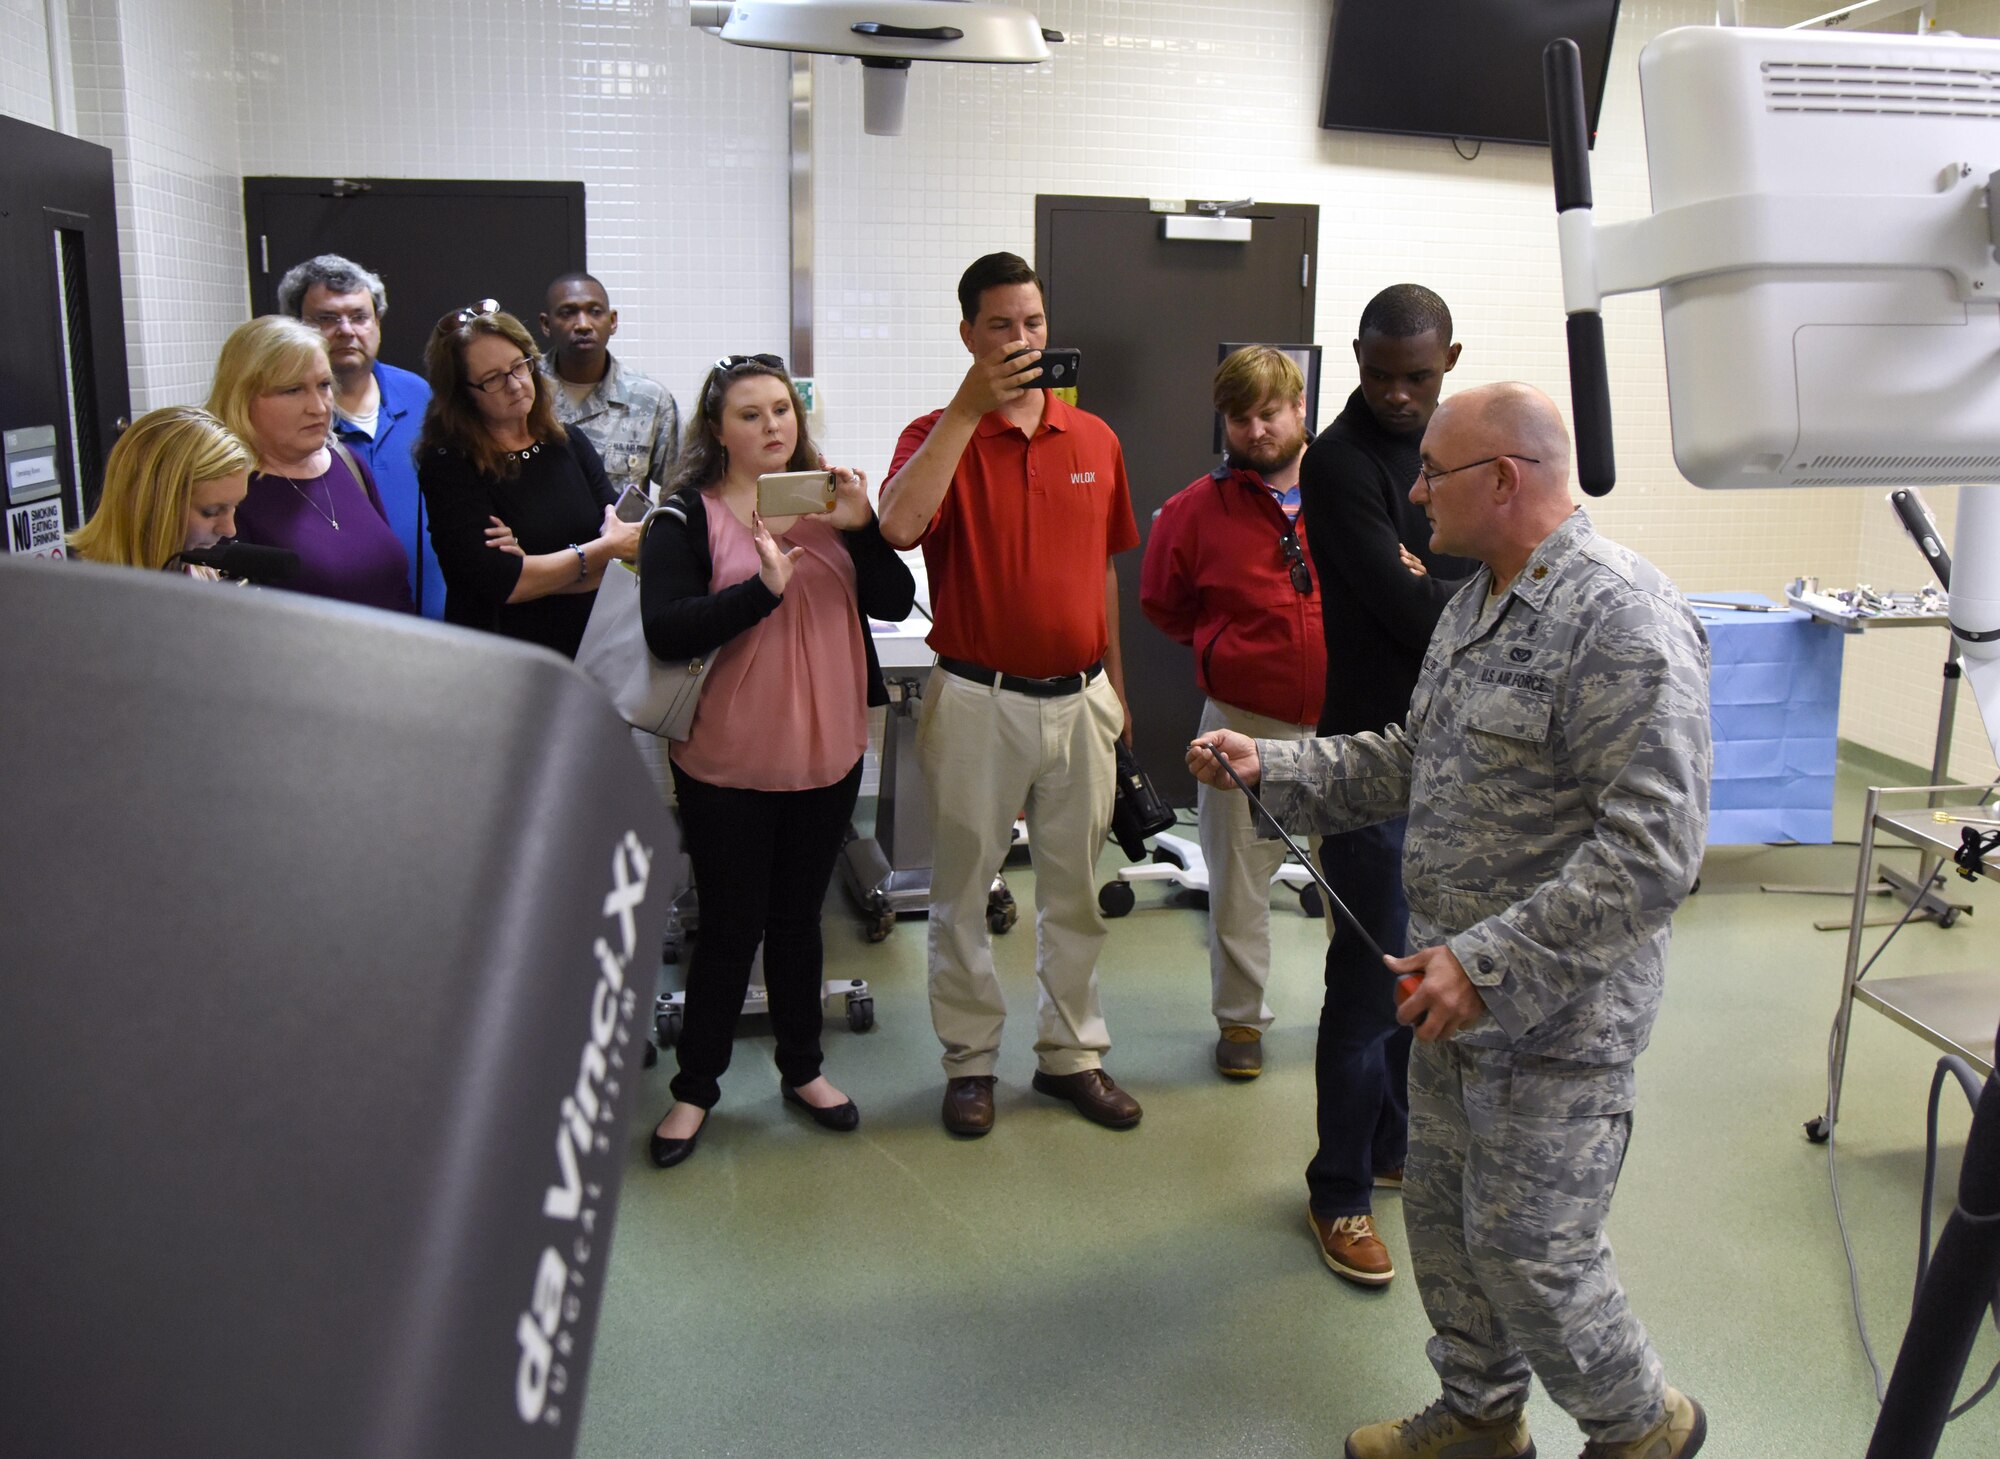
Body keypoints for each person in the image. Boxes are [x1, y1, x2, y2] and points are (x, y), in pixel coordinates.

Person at [1190, 382, 1711, 1459]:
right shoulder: (1474, 603)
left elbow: (1653, 851)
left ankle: (1641, 1428)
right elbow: (1409, 760)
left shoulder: (1621, 620)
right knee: (1445, 1227)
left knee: (1532, 1250)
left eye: (1432, 471)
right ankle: (1480, 1416)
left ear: (1502, 481)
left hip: (1550, 1020)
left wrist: (1486, 966)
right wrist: (1270, 765)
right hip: (1447, 1000)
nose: (1413, 489)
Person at [878, 251, 1140, 1137]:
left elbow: (1102, 568)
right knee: (963, 892)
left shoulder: (1094, 438)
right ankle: (970, 1062)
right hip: (977, 699)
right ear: (968, 335)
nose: (1022, 340)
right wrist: (967, 407)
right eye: (1001, 326)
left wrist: (1116, 685)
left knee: (1073, 892)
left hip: (1081, 704)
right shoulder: (933, 433)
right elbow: (901, 525)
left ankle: (1072, 1055)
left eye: (1032, 323)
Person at [639, 353, 914, 1168]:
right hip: (725, 762)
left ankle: (804, 1069)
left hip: (827, 756)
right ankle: (696, 1087)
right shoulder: (684, 516)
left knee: (799, 921)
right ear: (717, 430)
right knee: (729, 928)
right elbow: (668, 628)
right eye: (750, 414)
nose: (771, 427)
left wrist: (862, 526)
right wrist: (760, 589)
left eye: (782, 413)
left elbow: (894, 600)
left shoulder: (831, 507)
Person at [1294, 284, 1477, 1287]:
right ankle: (1336, 1192)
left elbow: (1499, 570)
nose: (1397, 395)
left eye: (1416, 375)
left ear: (1448, 356)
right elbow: (1412, 613)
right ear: (1355, 358)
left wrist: (1434, 574)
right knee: (1366, 991)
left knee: (1428, 976)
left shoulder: (1453, 441)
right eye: (1377, 375)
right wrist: (1448, 579)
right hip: (1368, 763)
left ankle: (1391, 1144)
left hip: (1454, 763)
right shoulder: (1336, 462)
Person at [1139, 346, 1325, 1081]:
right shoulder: (1193, 511)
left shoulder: (1349, 491)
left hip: (1351, 726)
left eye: (1269, 412)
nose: (1255, 429)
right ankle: (1241, 1023)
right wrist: (1236, 648)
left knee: (1367, 878)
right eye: (1239, 417)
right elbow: (1164, 605)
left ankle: (1360, 1010)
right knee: (1240, 884)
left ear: (1299, 408)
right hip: (1243, 723)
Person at [416, 301, 641, 659]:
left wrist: (538, 569)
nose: (515, 384)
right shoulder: (450, 464)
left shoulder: (567, 441)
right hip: (503, 662)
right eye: (492, 379)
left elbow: (630, 551)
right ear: (462, 395)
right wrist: (601, 550)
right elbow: (504, 584)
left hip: (594, 651)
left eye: (519, 365)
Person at [208, 316, 414, 613]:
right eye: (293, 390)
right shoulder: (228, 492)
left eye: (324, 385)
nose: (318, 407)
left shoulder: (345, 460)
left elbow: (394, 584)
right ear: (243, 397)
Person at [277, 253, 442, 619]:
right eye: (327, 318)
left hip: (436, 620)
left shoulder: (418, 394)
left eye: (359, 316)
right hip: (339, 631)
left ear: (377, 322)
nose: (346, 330)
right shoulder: (289, 418)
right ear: (296, 325)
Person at [538, 272, 681, 502]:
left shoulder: (648, 398)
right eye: (568, 313)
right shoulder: (522, 391)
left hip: (623, 537)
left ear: (612, 321)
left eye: (595, 312)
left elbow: (679, 489)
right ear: (546, 324)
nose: (583, 324)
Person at [66, 406, 254, 575]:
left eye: (234, 507)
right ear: (150, 504)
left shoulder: (201, 572)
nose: (230, 529)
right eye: (211, 512)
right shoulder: (81, 594)